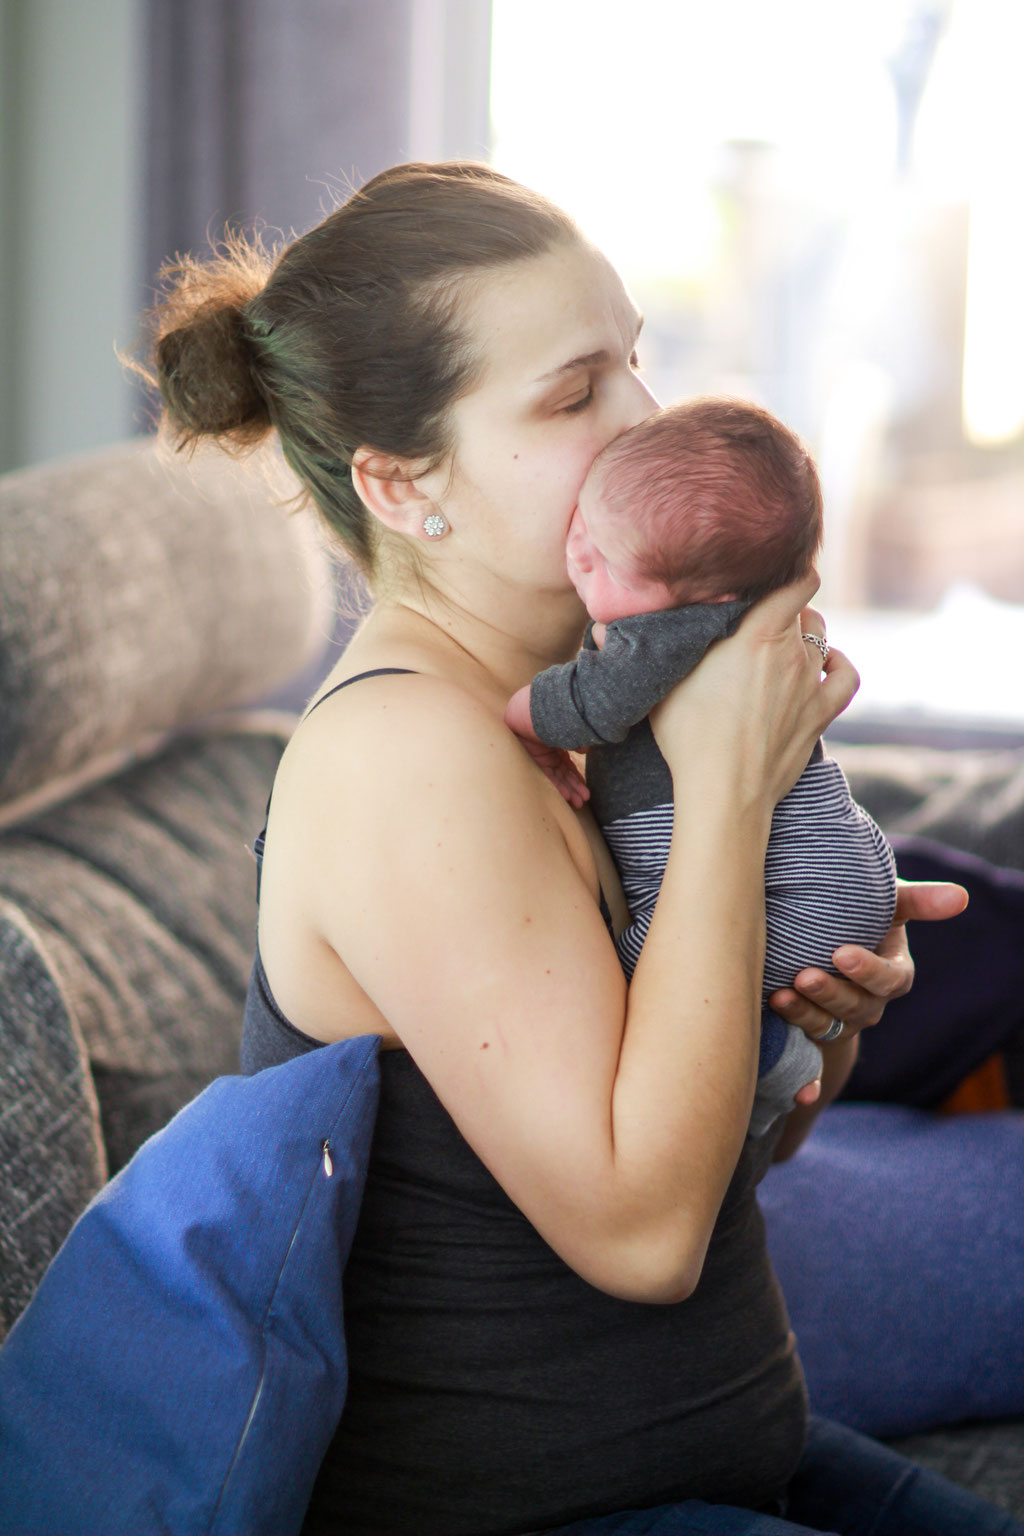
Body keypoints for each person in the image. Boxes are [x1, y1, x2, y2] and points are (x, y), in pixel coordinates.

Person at [138, 161, 1019, 1535]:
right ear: (402, 482)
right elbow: (645, 1238)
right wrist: (731, 787)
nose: (643, 422)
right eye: (572, 395)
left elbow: (728, 1163)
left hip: (729, 1460)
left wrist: (814, 1012)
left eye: (635, 365)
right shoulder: (405, 759)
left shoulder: (610, 719)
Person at [504, 398, 897, 1136]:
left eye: (605, 559)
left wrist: (523, 718)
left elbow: (592, 702)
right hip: (832, 850)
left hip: (799, 884)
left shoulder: (670, 633)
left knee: (640, 983)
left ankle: (770, 1060)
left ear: (711, 596)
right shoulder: (728, 608)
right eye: (582, 529)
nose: (577, 553)